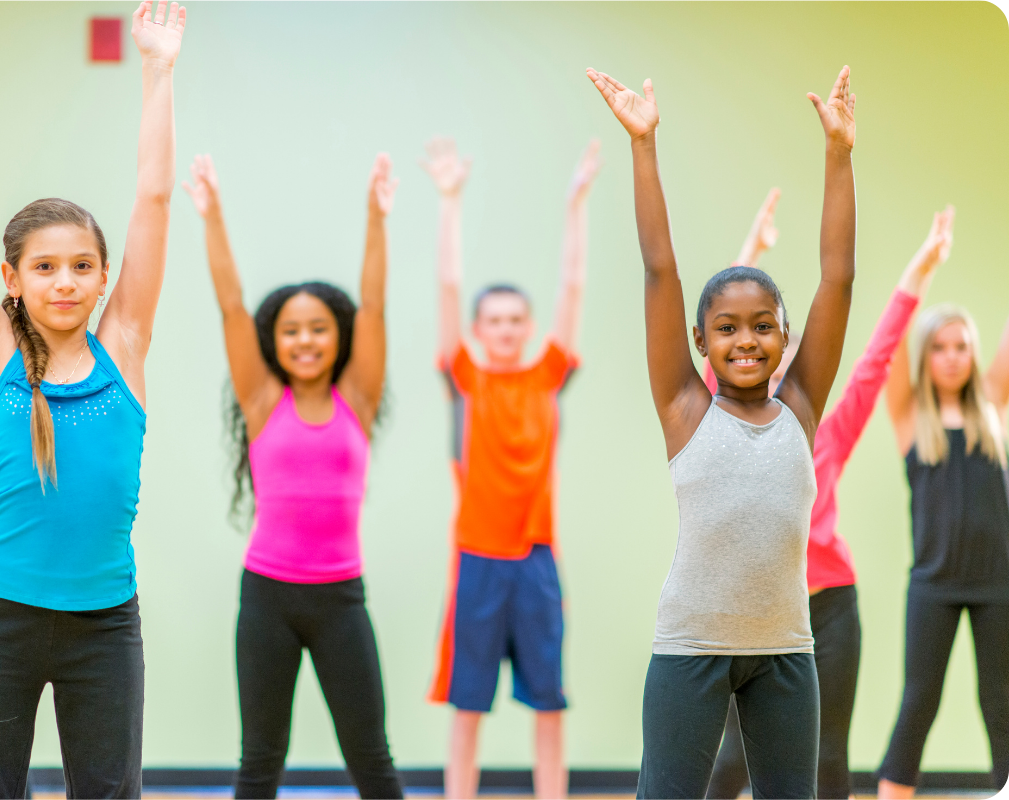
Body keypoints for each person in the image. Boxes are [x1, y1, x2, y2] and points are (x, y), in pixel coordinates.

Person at [0, 3, 184, 796]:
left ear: (102, 276)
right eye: (46, 267)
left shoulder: (124, 345)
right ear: (12, 279)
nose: (66, 281)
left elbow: (154, 200)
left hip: (105, 623)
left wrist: (158, 73)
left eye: (83, 266)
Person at [586, 64, 856, 798]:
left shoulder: (800, 407)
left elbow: (838, 276)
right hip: (690, 651)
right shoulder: (685, 410)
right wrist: (644, 144)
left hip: (784, 654)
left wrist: (839, 156)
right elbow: (657, 267)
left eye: (764, 326)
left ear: (785, 335)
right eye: (727, 328)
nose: (747, 340)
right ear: (700, 342)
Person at [705, 203, 956, 800]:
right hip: (761, 609)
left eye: (777, 338)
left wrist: (918, 272)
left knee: (827, 757)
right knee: (732, 762)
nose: (765, 348)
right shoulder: (722, 419)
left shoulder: (828, 428)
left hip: (832, 609)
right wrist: (752, 248)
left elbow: (876, 358)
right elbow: (726, 316)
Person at [183, 152, 403, 800]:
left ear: (338, 337)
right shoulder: (260, 401)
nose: (305, 341)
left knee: (372, 757)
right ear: (272, 340)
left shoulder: (358, 400)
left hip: (340, 602)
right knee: (259, 761)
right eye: (290, 331)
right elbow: (229, 304)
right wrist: (213, 215)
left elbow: (375, 304)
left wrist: (375, 217)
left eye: (318, 329)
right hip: (267, 600)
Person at [420, 136, 599, 800]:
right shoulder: (465, 377)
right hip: (477, 559)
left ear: (527, 328)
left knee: (549, 703)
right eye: (492, 320)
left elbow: (573, 285)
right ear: (477, 328)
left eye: (515, 320)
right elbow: (445, 284)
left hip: (536, 558)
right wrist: (450, 200)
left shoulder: (547, 376)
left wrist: (575, 204)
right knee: (468, 706)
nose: (504, 328)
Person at [877, 242, 1009, 797]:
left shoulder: (994, 408)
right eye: (940, 347)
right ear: (925, 356)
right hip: (932, 584)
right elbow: (887, 341)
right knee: (918, 702)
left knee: (1000, 703)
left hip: (997, 584)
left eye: (962, 346)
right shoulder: (910, 416)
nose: (952, 356)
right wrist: (922, 268)